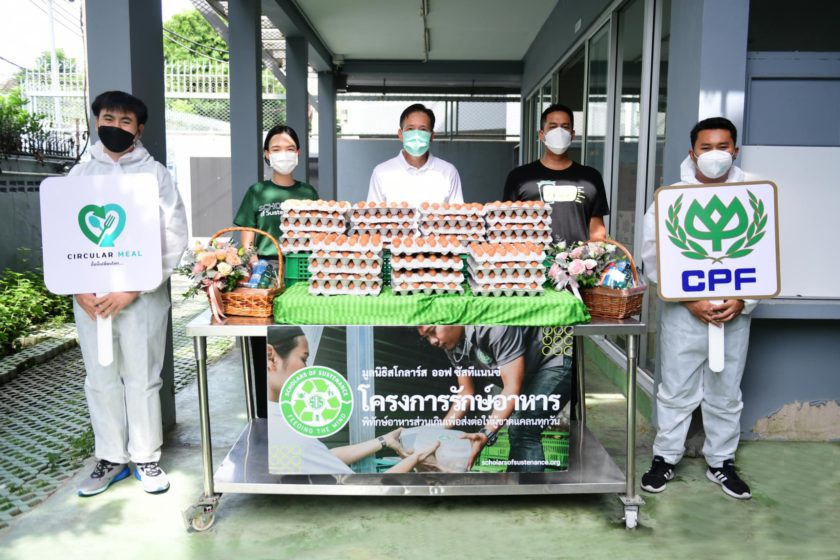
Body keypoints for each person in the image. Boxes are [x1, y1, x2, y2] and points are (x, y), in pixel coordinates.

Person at [72, 91, 188, 496]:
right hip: (91, 299)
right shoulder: (79, 175)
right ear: (96, 121)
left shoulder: (155, 175)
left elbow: (174, 235)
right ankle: (110, 457)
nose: (115, 127)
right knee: (99, 377)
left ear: (139, 129)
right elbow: (62, 231)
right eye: (108, 118)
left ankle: (146, 457)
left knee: (143, 376)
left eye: (125, 121)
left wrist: (133, 287)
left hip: (141, 297)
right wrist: (79, 288)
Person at [639, 117, 756, 500]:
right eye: (706, 148)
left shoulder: (754, 196)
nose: (715, 154)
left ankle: (721, 461)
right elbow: (653, 256)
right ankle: (664, 458)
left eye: (723, 146)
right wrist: (690, 299)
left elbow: (766, 252)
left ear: (735, 150)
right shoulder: (671, 198)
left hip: (734, 313)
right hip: (684, 313)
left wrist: (744, 300)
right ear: (692, 152)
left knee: (726, 391)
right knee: (676, 389)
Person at [267, 328, 439, 474]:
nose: (307, 369)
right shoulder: (282, 431)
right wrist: (416, 458)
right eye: (304, 359)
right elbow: (365, 489)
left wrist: (384, 440)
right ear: (270, 357)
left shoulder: (276, 419)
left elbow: (321, 458)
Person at [234, 124, 318, 419]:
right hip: (265, 273)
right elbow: (247, 238)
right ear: (266, 154)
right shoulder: (257, 192)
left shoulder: (307, 192)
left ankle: (293, 409)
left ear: (299, 153)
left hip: (300, 271)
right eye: (277, 149)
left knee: (292, 334)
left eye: (290, 149)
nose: (284, 154)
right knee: (263, 340)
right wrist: (253, 269)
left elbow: (318, 234)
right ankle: (262, 414)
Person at [417, 325, 572, 473]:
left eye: (433, 331)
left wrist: (486, 433)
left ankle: (524, 490)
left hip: (554, 355)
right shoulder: (452, 347)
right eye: (426, 337)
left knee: (523, 426)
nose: (433, 341)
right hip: (531, 367)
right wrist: (438, 430)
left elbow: (512, 386)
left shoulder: (493, 327)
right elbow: (465, 393)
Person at [503, 103, 609, 244]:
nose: (559, 132)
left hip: (579, 257)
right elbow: (508, 226)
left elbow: (597, 231)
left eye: (565, 127)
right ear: (541, 135)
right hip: (533, 257)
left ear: (572, 135)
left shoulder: (591, 177)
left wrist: (594, 254)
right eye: (553, 127)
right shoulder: (519, 177)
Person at [367, 103, 464, 206]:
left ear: (432, 136)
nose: (416, 135)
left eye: (423, 129)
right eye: (410, 129)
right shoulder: (382, 172)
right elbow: (372, 213)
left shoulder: (448, 172)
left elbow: (458, 212)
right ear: (400, 134)